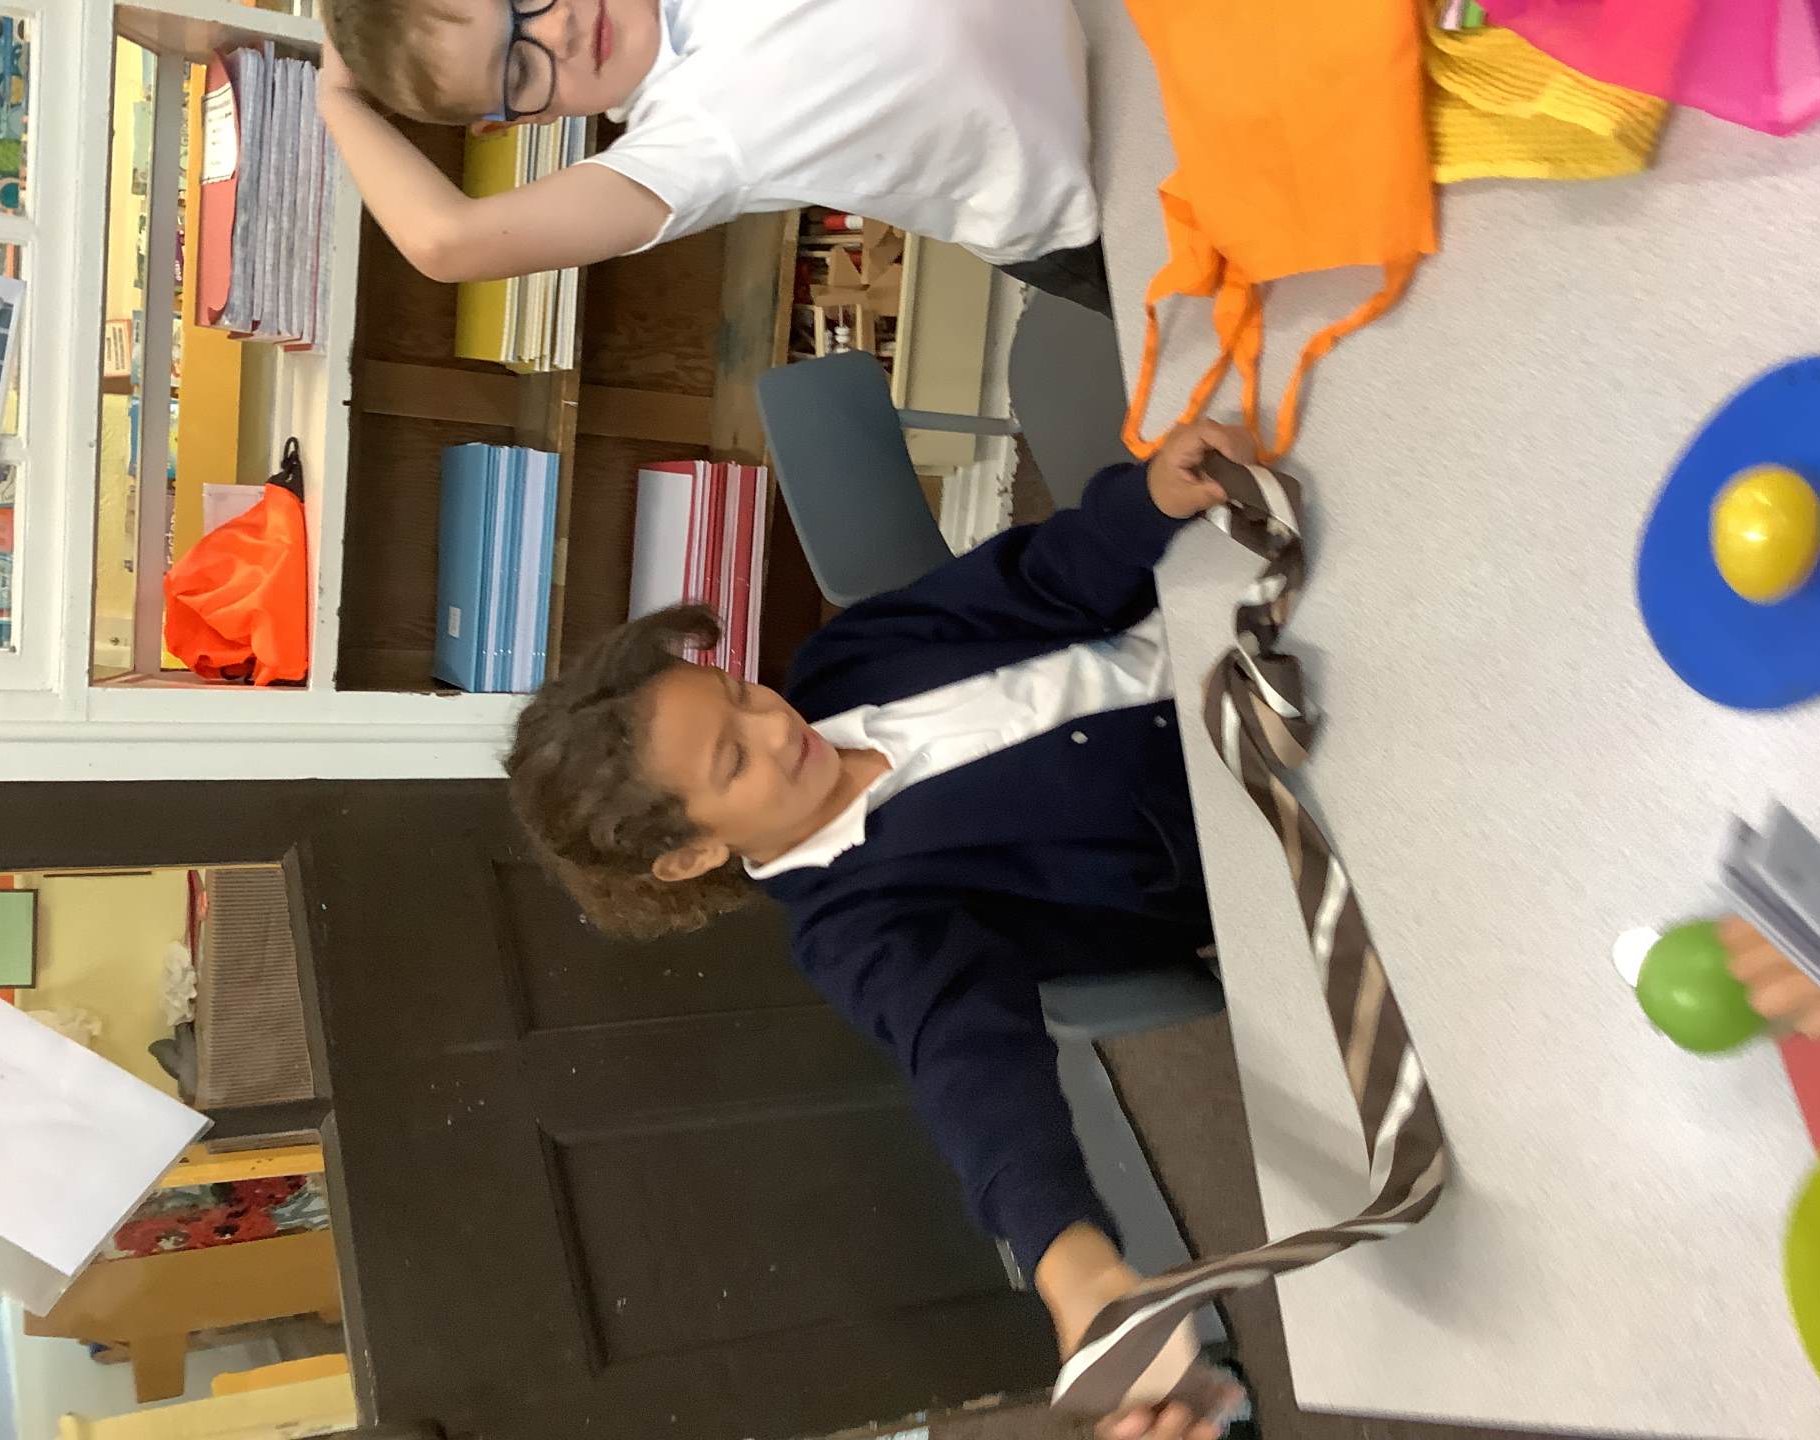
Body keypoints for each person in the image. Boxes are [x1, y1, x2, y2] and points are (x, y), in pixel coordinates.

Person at [508, 418, 1253, 1440]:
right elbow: (966, 1061)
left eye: (739, 693)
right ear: (690, 854)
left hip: (1232, 613)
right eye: (735, 761)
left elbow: (1036, 584)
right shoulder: (858, 925)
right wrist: (1070, 1262)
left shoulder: (839, 666)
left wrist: (1144, 507)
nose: (779, 726)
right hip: (1265, 809)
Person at [315, 0, 1114, 314]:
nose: (559, 29)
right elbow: (445, 241)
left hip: (1119, 37)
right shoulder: (686, 143)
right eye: (520, 70)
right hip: (1105, 201)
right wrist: (337, 100)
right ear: (517, 122)